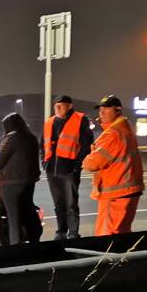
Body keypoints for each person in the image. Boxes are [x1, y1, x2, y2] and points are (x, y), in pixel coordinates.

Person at [82, 95, 145, 236]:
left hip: (115, 193)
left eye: (106, 109)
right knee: (122, 232)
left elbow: (92, 163)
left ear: (118, 110)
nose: (102, 113)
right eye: (100, 110)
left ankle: (108, 259)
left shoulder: (113, 133)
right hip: (129, 191)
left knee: (107, 235)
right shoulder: (126, 130)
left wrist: (87, 157)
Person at [41, 94, 94, 239]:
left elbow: (86, 145)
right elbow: (42, 144)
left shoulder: (80, 119)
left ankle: (73, 233)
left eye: (61, 104)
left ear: (70, 106)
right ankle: (61, 231)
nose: (57, 107)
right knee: (59, 204)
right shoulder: (49, 122)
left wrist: (76, 166)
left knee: (71, 204)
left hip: (69, 169)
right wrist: (44, 162)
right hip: (52, 170)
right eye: (55, 105)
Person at [0, 112, 42, 244]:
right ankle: (34, 242)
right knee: (28, 213)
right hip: (29, 183)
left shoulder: (11, 138)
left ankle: (15, 248)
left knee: (14, 219)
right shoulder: (31, 138)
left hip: (10, 184)